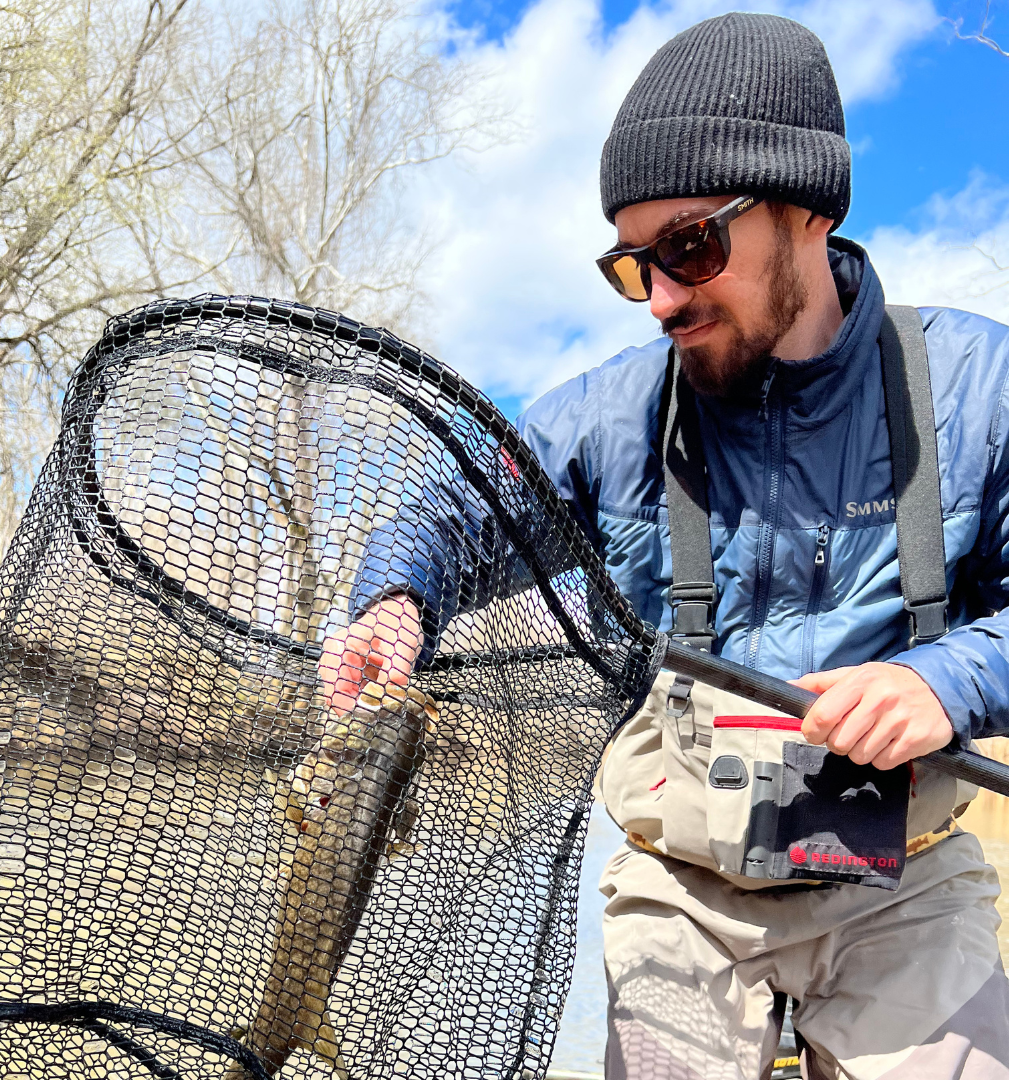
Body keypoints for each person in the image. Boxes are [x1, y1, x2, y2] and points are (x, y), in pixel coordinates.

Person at [320, 12, 1009, 1079]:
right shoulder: (607, 416)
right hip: (681, 888)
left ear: (809, 209)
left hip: (905, 883)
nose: (665, 299)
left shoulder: (977, 389)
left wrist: (949, 679)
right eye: (635, 266)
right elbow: (451, 514)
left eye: (691, 246)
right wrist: (395, 600)